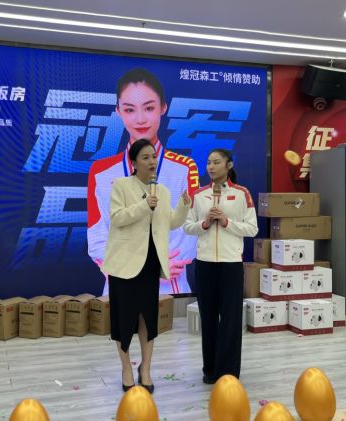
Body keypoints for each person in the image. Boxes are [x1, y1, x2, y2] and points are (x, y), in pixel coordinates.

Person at [88, 67, 199, 295]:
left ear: (163, 108)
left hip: (170, 285)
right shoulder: (101, 172)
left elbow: (190, 230)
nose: (140, 119)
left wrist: (157, 266)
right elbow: (97, 233)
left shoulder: (184, 168)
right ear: (118, 111)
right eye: (129, 109)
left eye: (149, 108)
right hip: (120, 281)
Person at [102, 138, 190, 393]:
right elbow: (117, 218)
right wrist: (144, 205)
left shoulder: (162, 191)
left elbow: (170, 222)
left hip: (150, 264)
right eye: (145, 157)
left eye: (153, 157)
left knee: (147, 319)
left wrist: (184, 206)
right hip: (124, 264)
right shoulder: (121, 185)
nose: (152, 161)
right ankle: (126, 369)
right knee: (124, 320)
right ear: (134, 162)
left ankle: (146, 369)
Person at [183, 148, 258, 384]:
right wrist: (205, 223)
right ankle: (210, 369)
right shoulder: (199, 195)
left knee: (231, 320)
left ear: (229, 165)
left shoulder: (242, 193)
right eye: (208, 162)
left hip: (231, 264)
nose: (211, 167)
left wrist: (226, 222)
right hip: (205, 264)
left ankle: (228, 372)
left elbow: (252, 228)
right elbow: (187, 226)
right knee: (208, 318)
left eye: (216, 162)